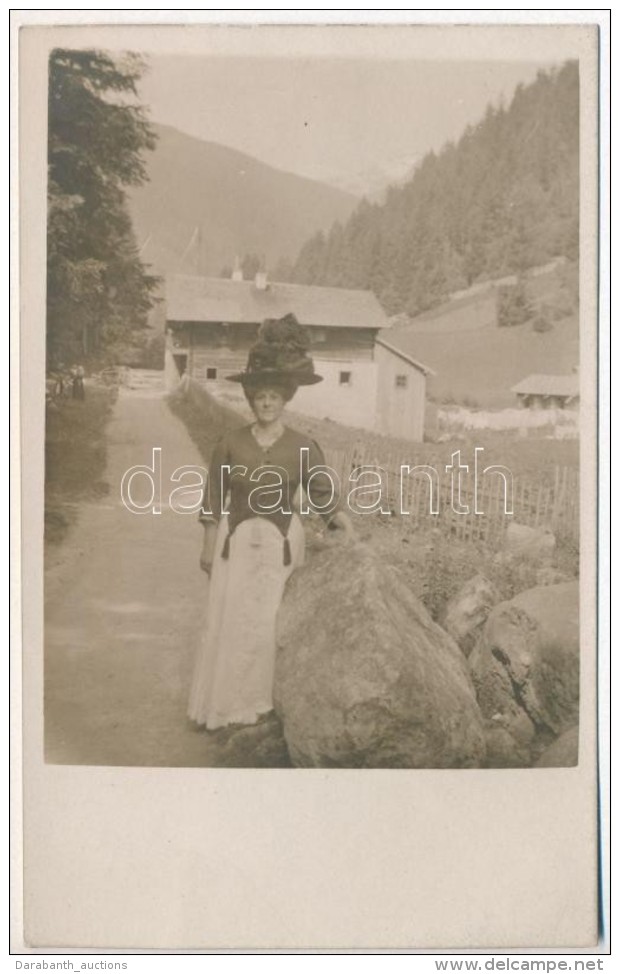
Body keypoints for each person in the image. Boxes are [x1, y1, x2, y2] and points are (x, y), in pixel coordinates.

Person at [187, 313, 354, 731]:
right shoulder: (230, 444)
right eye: (259, 396)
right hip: (237, 545)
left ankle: (263, 708)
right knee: (232, 621)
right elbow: (213, 498)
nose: (266, 403)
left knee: (269, 622)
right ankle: (226, 708)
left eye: (274, 397)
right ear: (250, 400)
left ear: (285, 400)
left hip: (281, 546)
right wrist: (208, 546)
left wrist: (342, 524)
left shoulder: (303, 446)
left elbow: (322, 495)